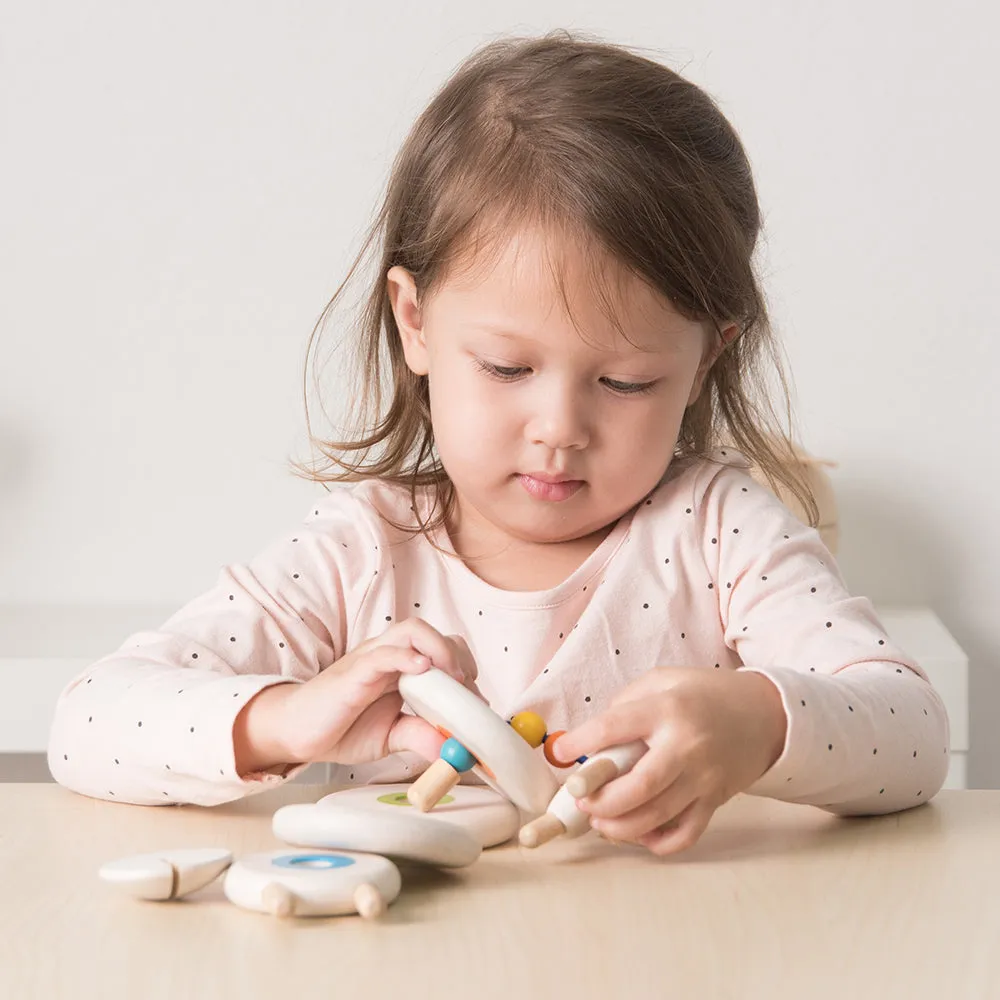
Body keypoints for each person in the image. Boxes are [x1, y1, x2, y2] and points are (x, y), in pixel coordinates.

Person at [47, 32, 949, 856]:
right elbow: (87, 723)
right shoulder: (363, 551)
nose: (559, 428)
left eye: (626, 382)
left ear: (707, 355)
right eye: (508, 369)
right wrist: (285, 720)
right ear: (416, 324)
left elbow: (914, 732)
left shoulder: (718, 535)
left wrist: (758, 724)